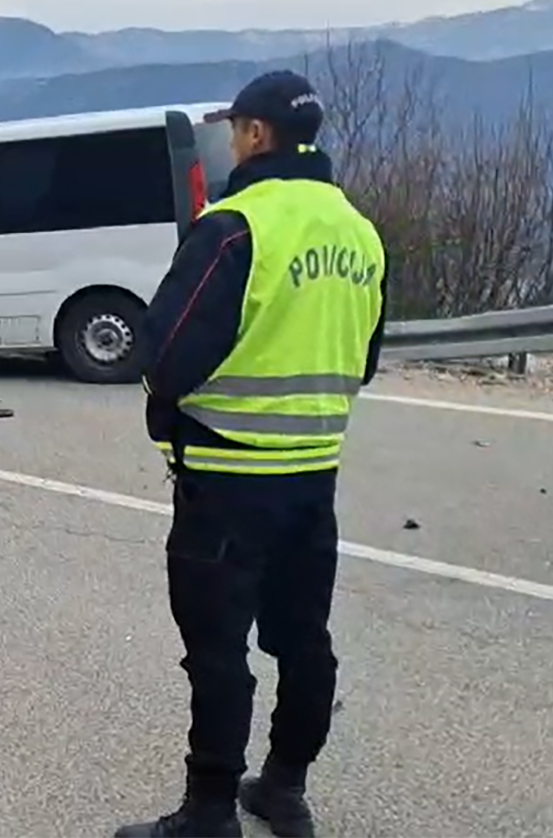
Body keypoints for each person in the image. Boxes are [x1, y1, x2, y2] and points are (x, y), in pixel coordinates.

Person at [116, 70, 387, 838]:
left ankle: (208, 812)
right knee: (304, 639)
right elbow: (362, 359)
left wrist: (166, 413)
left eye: (235, 129)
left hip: (227, 478)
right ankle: (285, 788)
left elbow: (164, 351)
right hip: (313, 477)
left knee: (217, 650)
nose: (232, 142)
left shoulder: (234, 226)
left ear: (257, 135)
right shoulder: (359, 233)